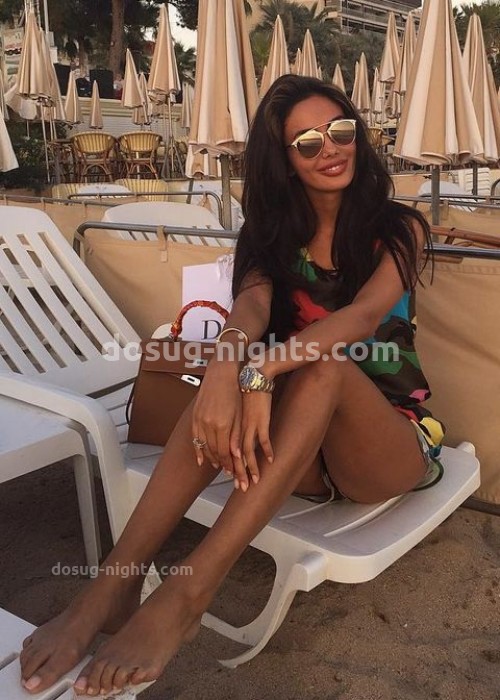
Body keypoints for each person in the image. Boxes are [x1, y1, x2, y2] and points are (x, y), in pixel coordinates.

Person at [19, 74, 444, 696]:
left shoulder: (399, 227)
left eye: (341, 130)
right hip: (301, 449)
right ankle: (113, 585)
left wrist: (257, 371)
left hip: (388, 442)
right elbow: (250, 309)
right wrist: (226, 371)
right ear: (285, 161)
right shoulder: (270, 235)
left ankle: (189, 593)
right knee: (224, 382)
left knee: (320, 364)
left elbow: (359, 319)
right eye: (307, 142)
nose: (330, 148)